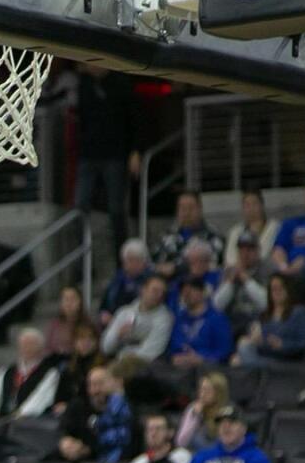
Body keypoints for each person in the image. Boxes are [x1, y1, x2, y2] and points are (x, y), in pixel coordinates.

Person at [74, 64, 140, 257]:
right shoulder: (84, 84)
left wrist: (135, 151)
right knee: (80, 205)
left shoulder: (121, 83)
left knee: (116, 208)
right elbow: (81, 119)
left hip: (115, 154)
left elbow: (134, 119)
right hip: (88, 154)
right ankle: (82, 259)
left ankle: (121, 256)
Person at [57, 365, 137, 463]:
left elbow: (125, 440)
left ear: (115, 383)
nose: (96, 390)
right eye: (91, 385)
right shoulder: (78, 406)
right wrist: (66, 442)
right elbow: (64, 430)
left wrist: (89, 449)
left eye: (101, 384)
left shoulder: (126, 410)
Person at [236, 275, 305, 366]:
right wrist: (253, 339)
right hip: (263, 356)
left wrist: (283, 345)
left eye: (281, 288)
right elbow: (261, 340)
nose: (277, 292)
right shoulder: (264, 314)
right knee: (243, 347)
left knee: (243, 356)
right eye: (273, 289)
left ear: (288, 289)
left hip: (285, 361)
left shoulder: (299, 312)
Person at [0, 328, 60, 419]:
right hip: (4, 420)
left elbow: (41, 398)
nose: (25, 348)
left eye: (30, 344)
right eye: (23, 344)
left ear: (40, 348)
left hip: (31, 422)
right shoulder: (7, 371)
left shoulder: (50, 372)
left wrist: (21, 414)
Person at [213, 231, 273, 336]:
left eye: (250, 249)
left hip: (259, 320)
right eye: (241, 249)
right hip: (233, 321)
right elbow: (216, 305)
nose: (245, 254)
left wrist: (246, 280)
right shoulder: (229, 271)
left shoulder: (268, 269)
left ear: (258, 250)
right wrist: (230, 283)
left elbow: (267, 303)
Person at [154, 191, 225, 277]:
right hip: (169, 285)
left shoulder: (213, 236)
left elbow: (214, 263)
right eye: (183, 208)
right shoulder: (167, 236)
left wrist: (176, 269)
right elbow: (155, 262)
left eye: (191, 208)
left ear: (200, 209)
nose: (187, 213)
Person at [103, 275, 173, 362]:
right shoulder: (124, 312)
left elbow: (149, 353)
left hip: (145, 367)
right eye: (155, 291)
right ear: (143, 290)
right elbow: (105, 347)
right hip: (118, 361)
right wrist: (118, 335)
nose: (159, 295)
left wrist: (123, 355)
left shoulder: (164, 319)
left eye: (162, 293)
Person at [169, 278, 233, 368]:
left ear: (202, 292)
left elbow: (224, 351)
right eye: (184, 291)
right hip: (180, 369)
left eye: (192, 290)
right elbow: (174, 345)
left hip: (207, 369)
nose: (187, 293)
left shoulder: (217, 318)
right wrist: (177, 356)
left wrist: (201, 358)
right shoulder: (179, 319)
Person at [100, 239, 152, 325]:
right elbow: (104, 304)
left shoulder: (150, 280)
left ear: (144, 262)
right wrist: (104, 313)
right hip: (112, 321)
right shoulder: (116, 279)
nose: (133, 264)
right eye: (130, 260)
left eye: (137, 260)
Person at [175, 372, 230, 454]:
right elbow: (181, 442)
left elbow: (226, 443)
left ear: (218, 393)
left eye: (207, 390)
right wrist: (196, 417)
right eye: (201, 389)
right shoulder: (193, 409)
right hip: (194, 454)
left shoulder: (226, 411)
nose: (202, 394)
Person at [224, 189, 280, 267]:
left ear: (262, 205)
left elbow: (266, 256)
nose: (251, 208)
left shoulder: (275, 227)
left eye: (254, 203)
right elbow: (230, 261)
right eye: (247, 205)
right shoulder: (235, 231)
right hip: (239, 273)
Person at [46, 285, 94, 356]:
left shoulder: (88, 323)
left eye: (73, 299)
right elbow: (48, 348)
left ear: (80, 302)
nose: (69, 303)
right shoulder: (54, 324)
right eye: (66, 299)